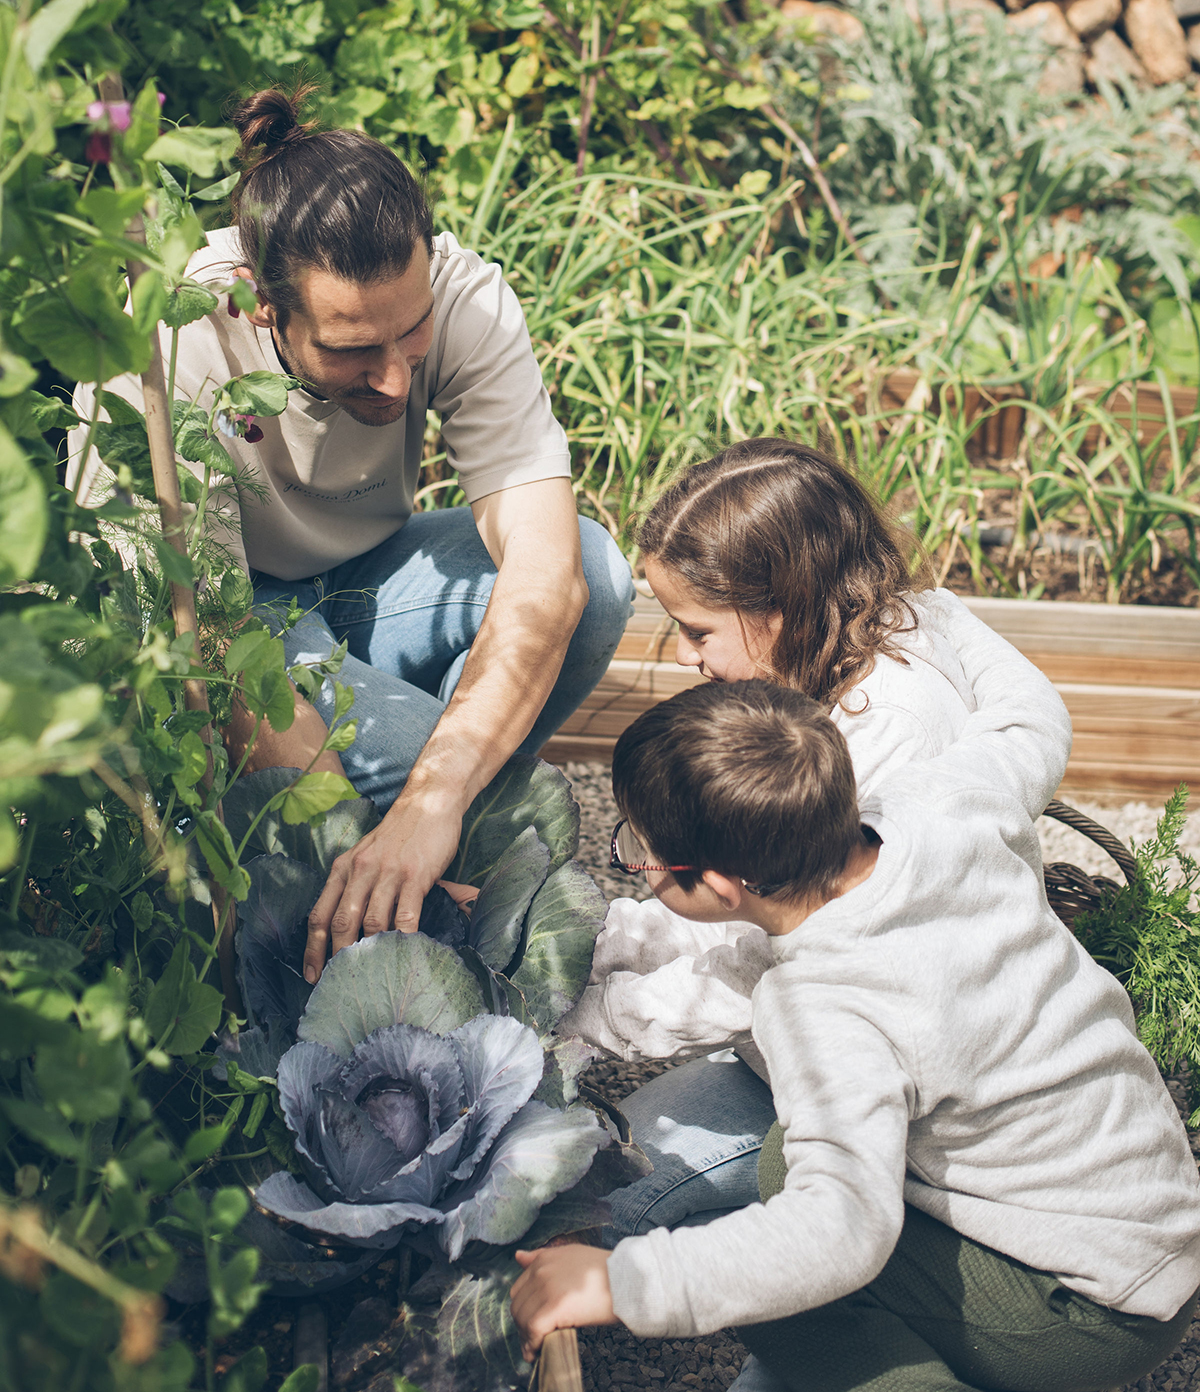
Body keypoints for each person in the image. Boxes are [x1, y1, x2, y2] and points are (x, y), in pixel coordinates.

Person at [69, 87, 633, 981]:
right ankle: (397, 864)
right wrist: (379, 826)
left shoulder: (463, 297)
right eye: (351, 350)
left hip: (369, 578)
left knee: (596, 576)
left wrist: (430, 806)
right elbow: (201, 644)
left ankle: (429, 835)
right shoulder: (168, 344)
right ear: (262, 306)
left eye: (412, 332)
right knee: (427, 783)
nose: (396, 378)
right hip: (234, 615)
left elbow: (546, 576)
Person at [512, 679, 1200, 1392]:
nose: (629, 858)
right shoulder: (939, 803)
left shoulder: (825, 1006)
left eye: (637, 851)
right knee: (787, 1161)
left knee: (775, 1267)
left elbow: (839, 1232)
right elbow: (1031, 714)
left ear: (720, 887)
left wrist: (623, 1282)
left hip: (1091, 1312)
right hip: (1151, 1210)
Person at [559, 437, 1070, 1241]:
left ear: (781, 608)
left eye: (698, 631)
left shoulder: (890, 737)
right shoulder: (836, 656)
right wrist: (589, 943)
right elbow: (736, 898)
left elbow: (767, 963)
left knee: (597, 1201)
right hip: (797, 1027)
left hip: (879, 1072)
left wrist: (595, 1020)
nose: (687, 657)